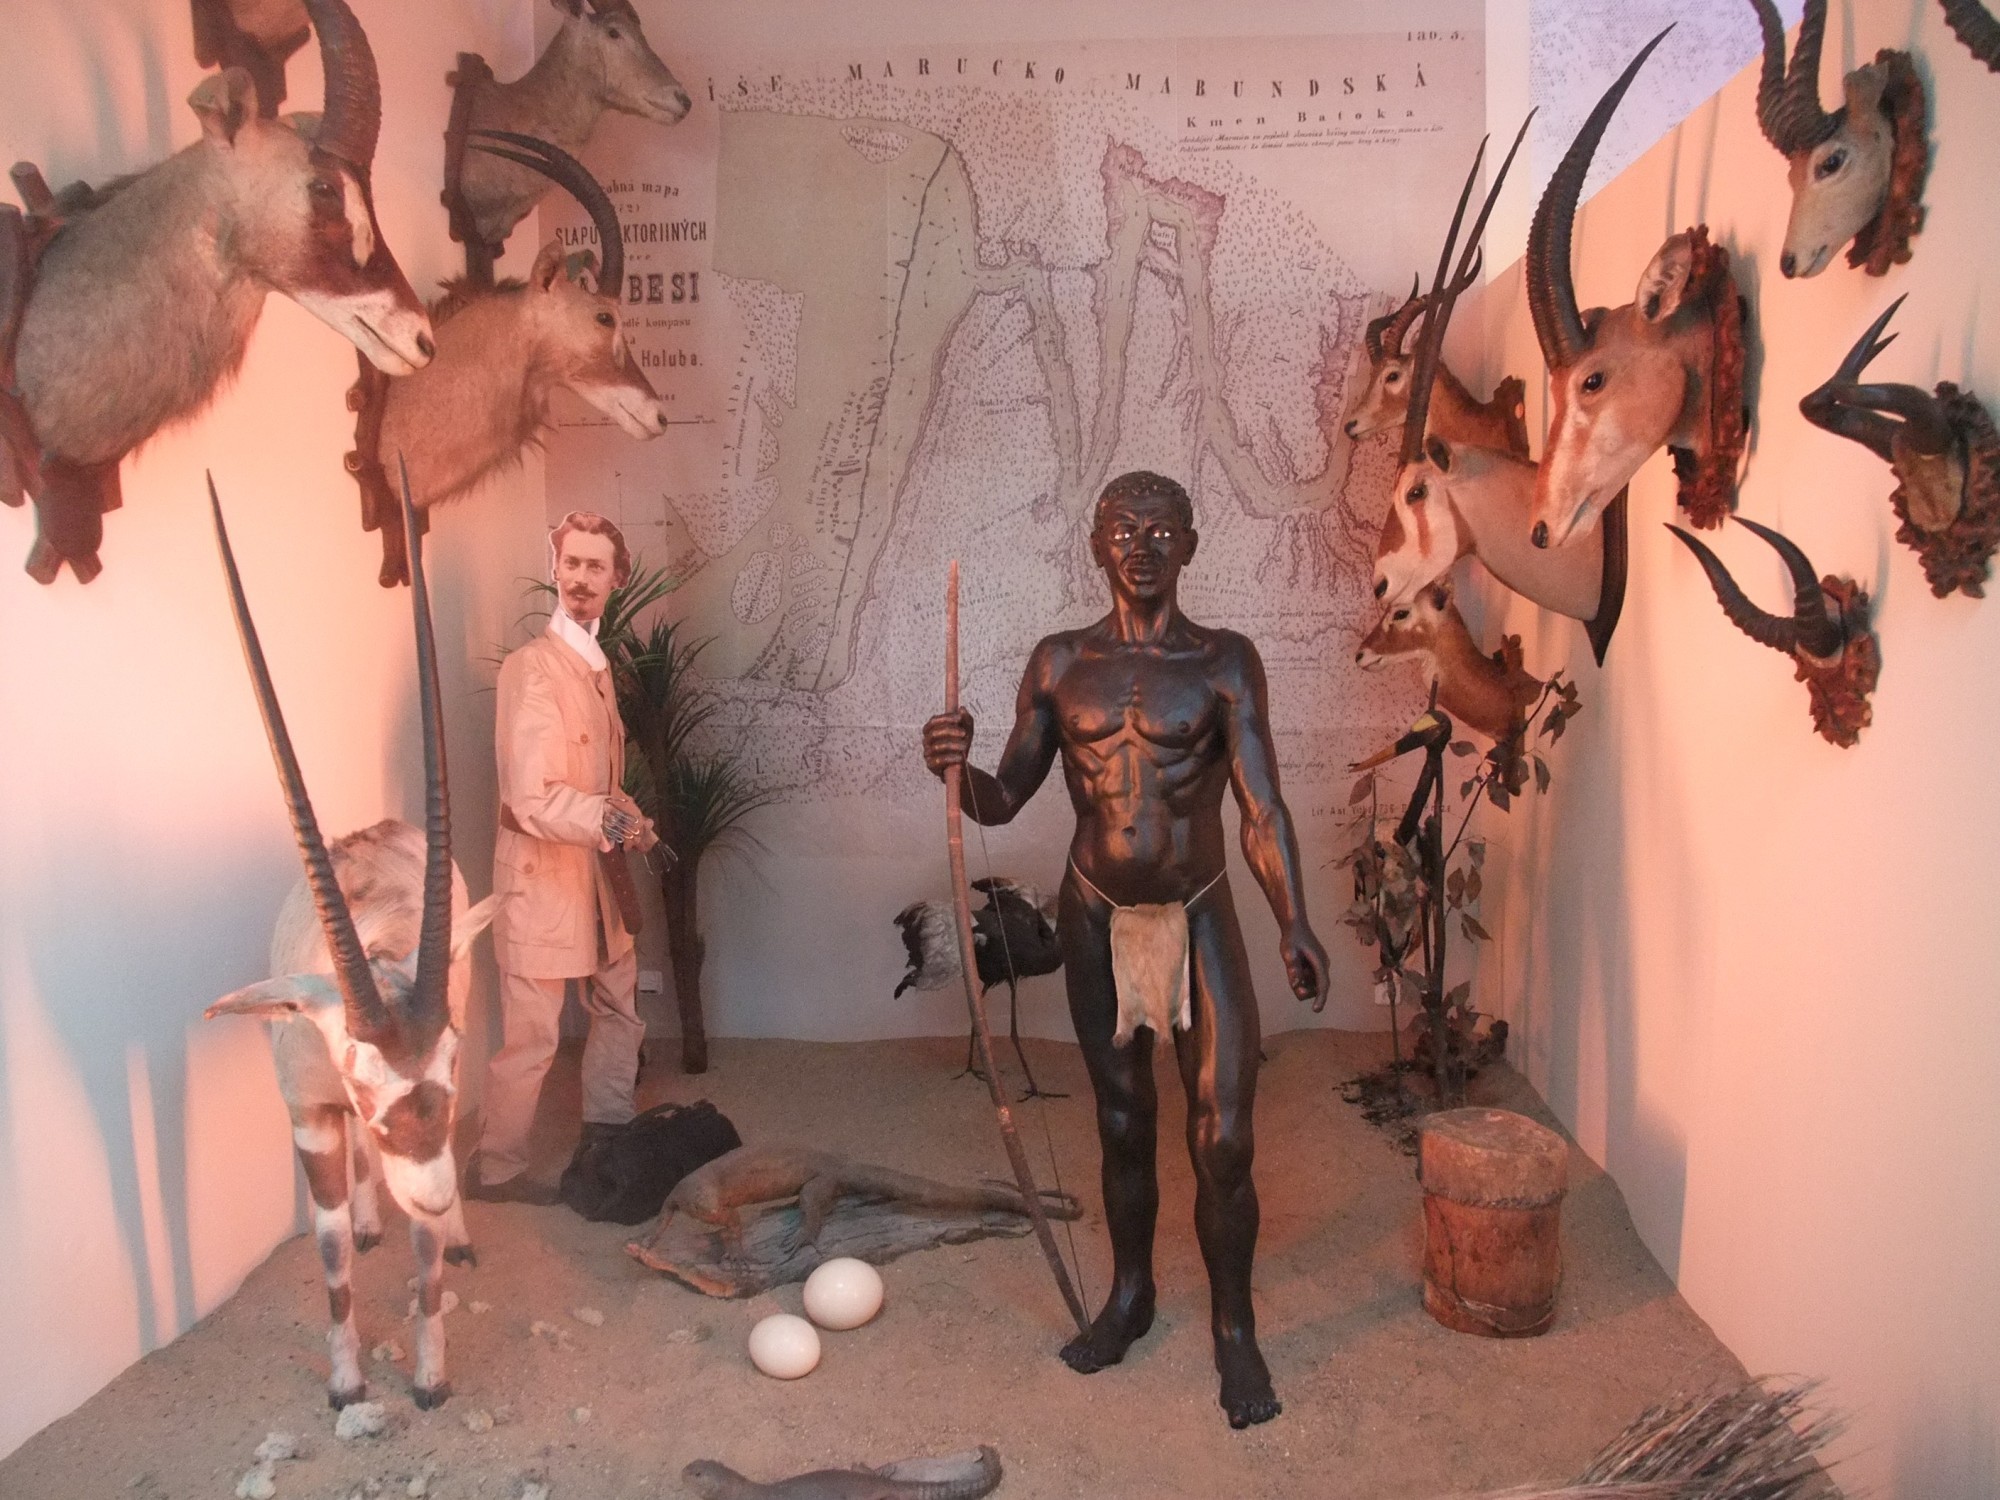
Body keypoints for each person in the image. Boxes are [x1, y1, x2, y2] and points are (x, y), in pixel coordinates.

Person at [922, 470, 1329, 1429]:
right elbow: (1002, 799)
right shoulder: (1061, 663)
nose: (1142, 547)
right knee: (1122, 1120)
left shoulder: (1227, 661)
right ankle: (1132, 1295)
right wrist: (952, 764)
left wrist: (1293, 919)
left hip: (1199, 910)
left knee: (1223, 1136)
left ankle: (1234, 1328)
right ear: (1097, 546)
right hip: (1097, 912)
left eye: (1161, 531)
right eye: (1124, 530)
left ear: (1190, 546)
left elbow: (1260, 807)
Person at [469, 512, 658, 1204]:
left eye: (595, 566)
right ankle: (496, 1168)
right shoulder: (532, 669)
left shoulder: (595, 666)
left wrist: (632, 821)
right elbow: (530, 796)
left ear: (616, 579)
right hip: (541, 878)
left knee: (619, 1005)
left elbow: (599, 782)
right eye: (571, 563)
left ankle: (608, 1132)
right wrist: (608, 818)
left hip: (598, 875)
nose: (581, 578)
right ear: (555, 569)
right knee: (532, 1037)